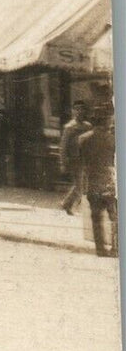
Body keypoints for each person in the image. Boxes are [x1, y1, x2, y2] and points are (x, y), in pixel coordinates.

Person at [79, 107, 118, 258]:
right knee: (115, 218)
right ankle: (116, 248)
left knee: (96, 219)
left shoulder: (83, 138)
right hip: (110, 182)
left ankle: (100, 249)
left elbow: (81, 161)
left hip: (92, 183)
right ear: (107, 121)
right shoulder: (112, 139)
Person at [60, 100, 94, 215]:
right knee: (80, 184)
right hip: (74, 159)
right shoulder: (69, 127)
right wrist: (63, 162)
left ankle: (67, 204)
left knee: (83, 184)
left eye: (82, 109)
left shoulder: (88, 126)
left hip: (86, 158)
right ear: (73, 111)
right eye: (77, 109)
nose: (79, 112)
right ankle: (68, 204)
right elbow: (63, 146)